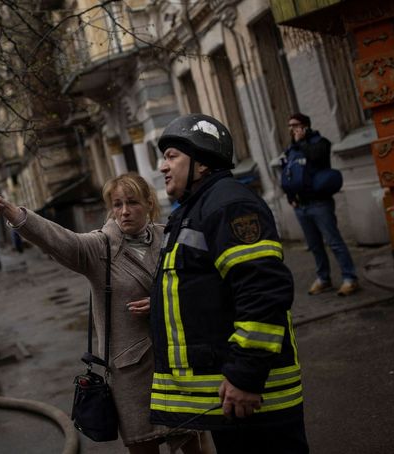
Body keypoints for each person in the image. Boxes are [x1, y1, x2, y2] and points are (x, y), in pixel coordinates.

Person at [0, 175, 213, 454]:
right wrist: (12, 212)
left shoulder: (169, 237)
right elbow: (57, 239)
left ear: (149, 203)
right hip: (132, 374)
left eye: (132, 202)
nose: (124, 211)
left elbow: (198, 285)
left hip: (177, 364)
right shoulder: (100, 248)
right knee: (145, 447)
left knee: (196, 446)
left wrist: (162, 301)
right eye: (117, 204)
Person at [150, 114, 308, 454]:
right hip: (231, 397)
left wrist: (245, 376)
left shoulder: (229, 204)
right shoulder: (196, 207)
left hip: (252, 397)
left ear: (202, 162)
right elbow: (205, 284)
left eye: (171, 156)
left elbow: (262, 291)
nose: (162, 167)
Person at [281, 113, 358, 296]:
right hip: (301, 205)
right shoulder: (292, 149)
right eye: (290, 126)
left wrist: (302, 141)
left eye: (296, 125)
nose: (293, 129)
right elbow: (289, 174)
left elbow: (317, 158)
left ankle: (350, 278)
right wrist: (290, 197)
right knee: (315, 246)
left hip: (320, 203)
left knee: (334, 242)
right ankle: (324, 278)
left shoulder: (320, 143)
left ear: (306, 126)